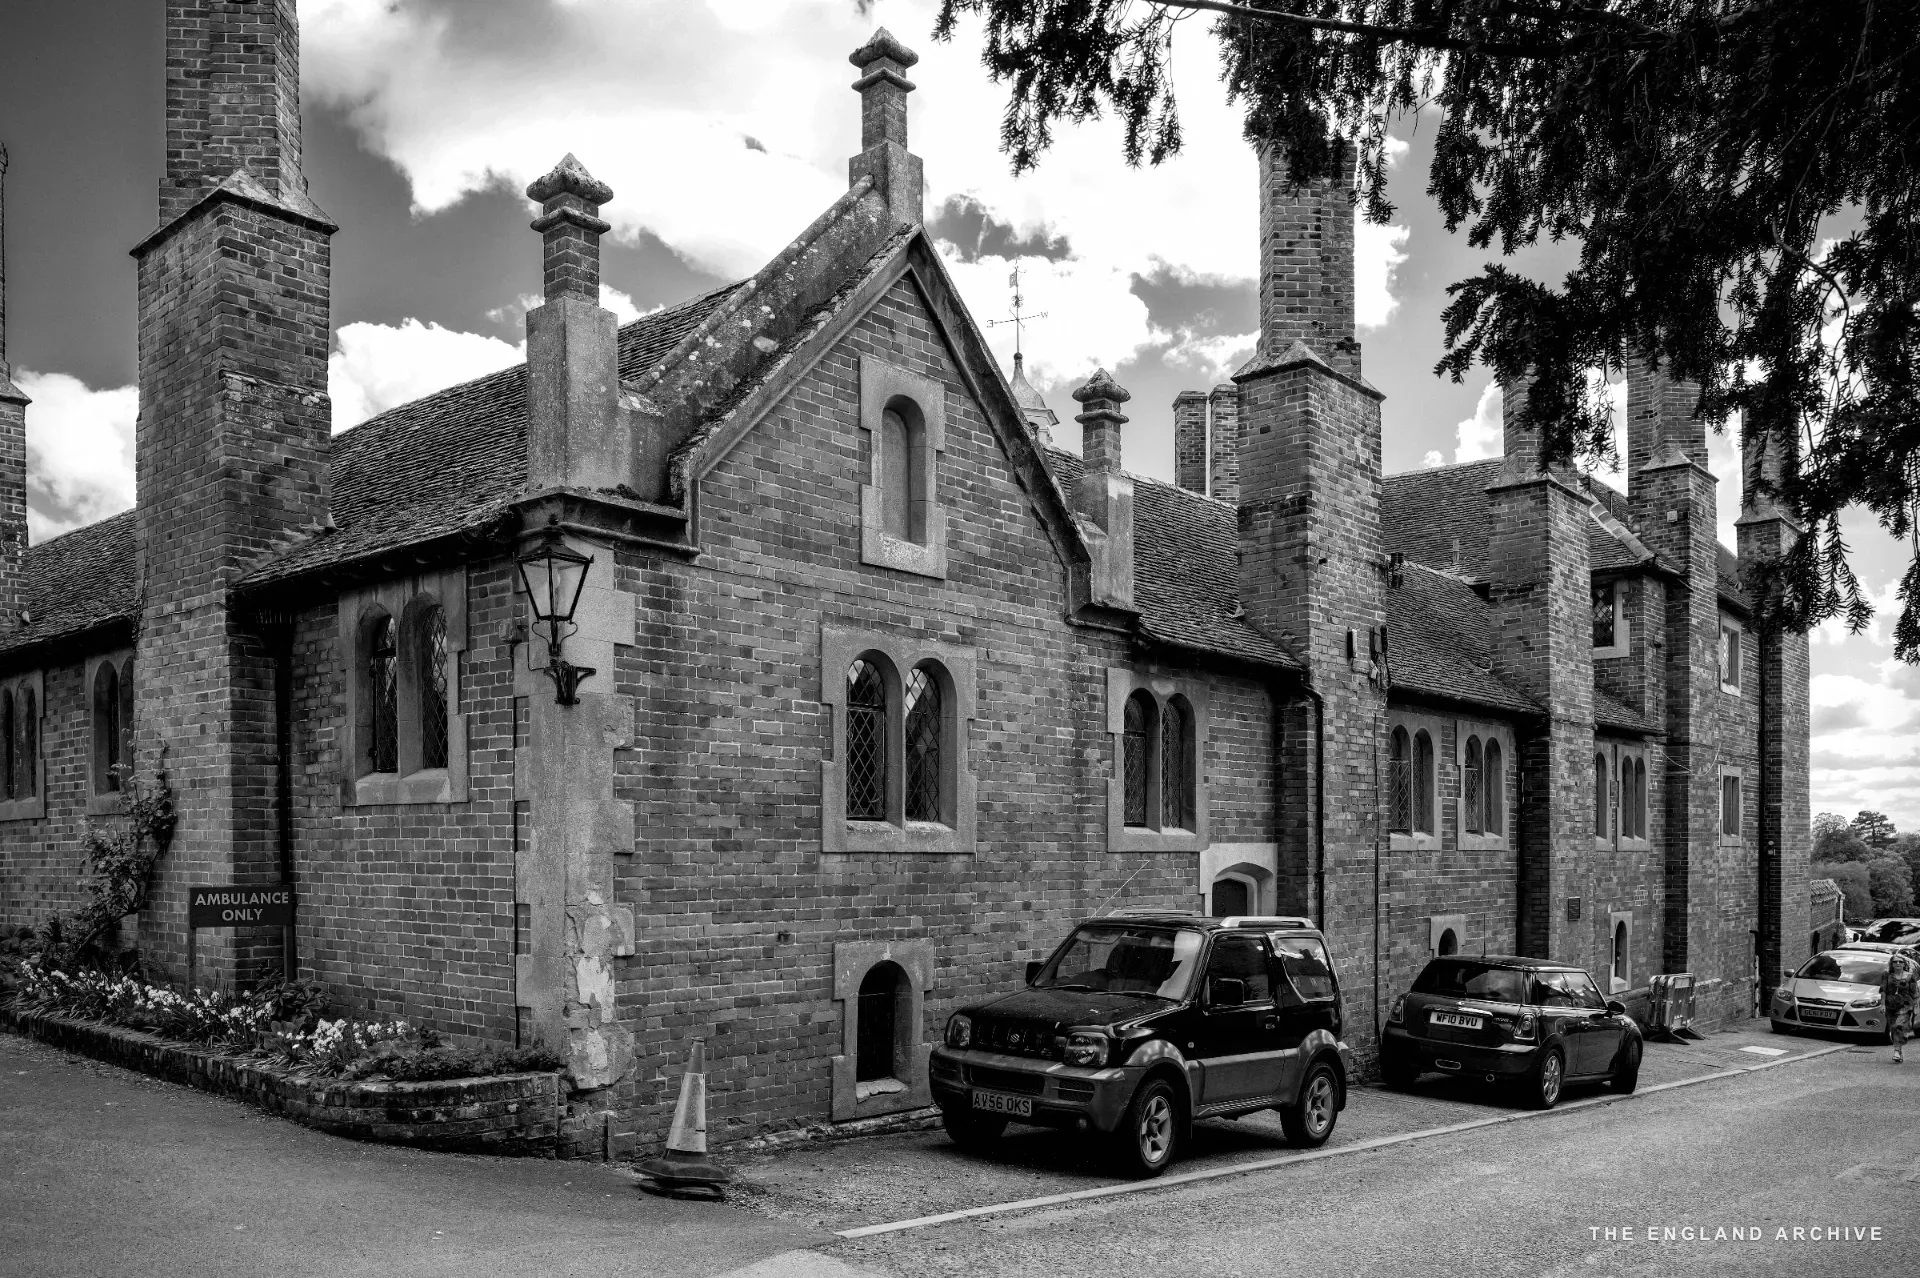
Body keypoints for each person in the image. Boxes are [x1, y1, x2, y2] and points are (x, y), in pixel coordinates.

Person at [1886, 950, 1919, 1064]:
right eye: (1895, 962)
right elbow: (1883, 991)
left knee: (1898, 1026)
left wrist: (1915, 1006)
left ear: (1904, 964)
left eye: (1900, 961)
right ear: (1892, 964)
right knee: (1893, 1028)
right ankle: (1899, 1050)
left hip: (1905, 1006)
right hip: (1890, 1005)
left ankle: (1896, 1051)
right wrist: (1881, 1005)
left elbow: (1915, 993)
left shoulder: (1910, 977)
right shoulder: (1886, 976)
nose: (1898, 964)